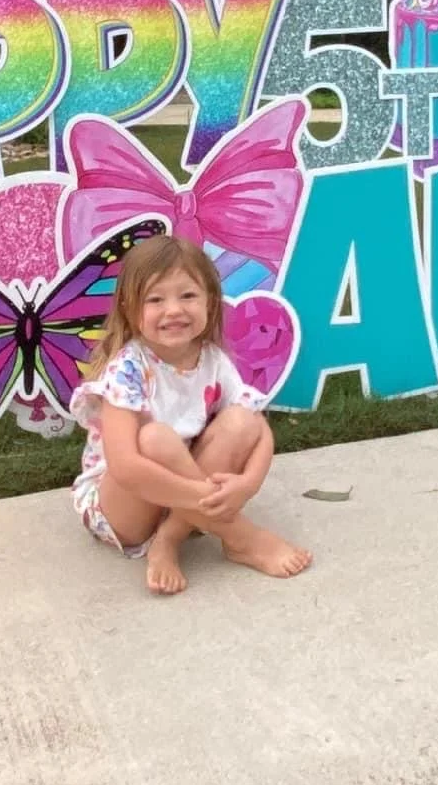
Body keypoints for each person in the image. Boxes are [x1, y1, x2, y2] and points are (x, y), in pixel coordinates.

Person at [69, 234, 312, 595]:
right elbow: (125, 466)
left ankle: (168, 540)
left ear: (211, 303)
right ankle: (239, 536)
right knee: (154, 438)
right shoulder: (128, 370)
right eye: (155, 299)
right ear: (129, 308)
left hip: (178, 499)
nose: (174, 310)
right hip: (122, 508)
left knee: (242, 421)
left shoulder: (213, 361)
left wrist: (247, 484)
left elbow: (258, 431)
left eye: (188, 295)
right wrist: (206, 497)